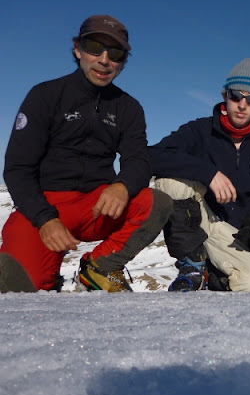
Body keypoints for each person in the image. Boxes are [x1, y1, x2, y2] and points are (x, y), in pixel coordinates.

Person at [0, 15, 173, 293]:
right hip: (45, 205)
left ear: (122, 62)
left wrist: (122, 185)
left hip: (96, 205)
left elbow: (138, 160)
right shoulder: (45, 95)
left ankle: (99, 268)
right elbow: (18, 168)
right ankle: (45, 274)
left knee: (156, 202)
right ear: (78, 49)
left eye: (115, 53)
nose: (104, 60)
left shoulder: (128, 108)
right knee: (20, 291)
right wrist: (45, 219)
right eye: (94, 47)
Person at [150, 58, 250, 292]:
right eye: (236, 96)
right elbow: (153, 156)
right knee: (169, 182)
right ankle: (192, 267)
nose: (242, 104)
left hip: (238, 234)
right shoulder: (199, 130)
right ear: (224, 96)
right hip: (200, 218)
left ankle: (217, 273)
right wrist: (208, 173)